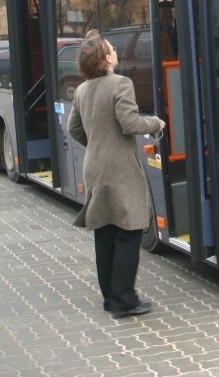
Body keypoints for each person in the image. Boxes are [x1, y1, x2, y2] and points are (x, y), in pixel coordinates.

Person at [68, 33, 166, 319]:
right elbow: (130, 122)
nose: (115, 51)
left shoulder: (83, 90)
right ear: (104, 58)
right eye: (111, 49)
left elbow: (74, 129)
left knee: (106, 232)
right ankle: (125, 300)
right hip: (120, 168)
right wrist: (156, 122)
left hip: (95, 165)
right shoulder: (121, 83)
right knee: (130, 229)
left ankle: (110, 299)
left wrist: (98, 145)